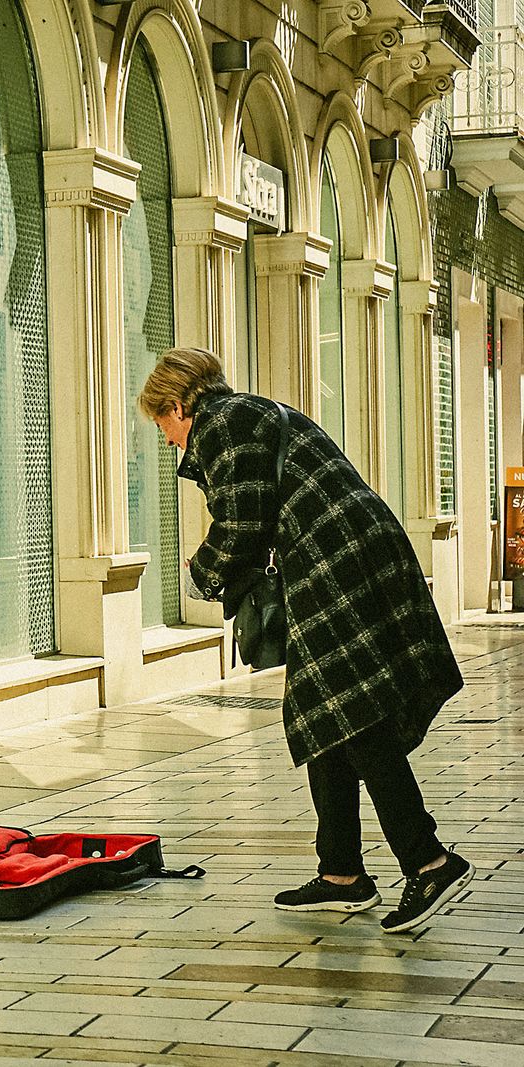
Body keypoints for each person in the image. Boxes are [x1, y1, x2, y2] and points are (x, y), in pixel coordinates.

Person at [137, 347, 471, 933]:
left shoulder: (222, 424)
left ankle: (429, 861)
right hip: (340, 556)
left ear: (178, 404)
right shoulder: (244, 415)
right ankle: (341, 872)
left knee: (353, 714)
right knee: (324, 714)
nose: (166, 440)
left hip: (336, 561)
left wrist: (203, 571)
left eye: (161, 424)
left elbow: (243, 518)